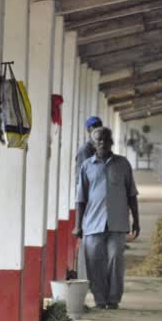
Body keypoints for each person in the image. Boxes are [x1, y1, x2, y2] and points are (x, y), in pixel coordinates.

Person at [73, 127, 140, 309]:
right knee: (94, 263)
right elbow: (81, 198)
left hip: (117, 223)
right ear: (93, 144)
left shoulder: (123, 164)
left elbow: (132, 194)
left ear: (112, 141)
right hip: (93, 224)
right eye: (98, 140)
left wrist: (136, 220)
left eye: (105, 139)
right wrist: (78, 225)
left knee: (115, 260)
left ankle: (113, 299)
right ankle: (99, 299)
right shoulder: (87, 166)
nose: (102, 143)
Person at [74, 116, 104, 280]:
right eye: (93, 127)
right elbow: (84, 180)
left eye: (99, 127)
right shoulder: (85, 150)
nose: (97, 129)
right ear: (88, 131)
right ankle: (86, 277)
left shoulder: (101, 149)